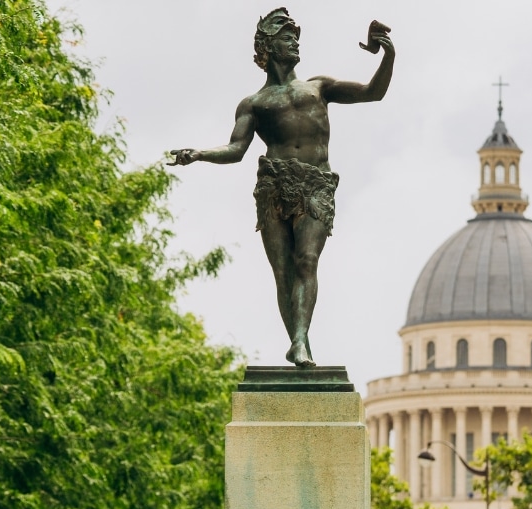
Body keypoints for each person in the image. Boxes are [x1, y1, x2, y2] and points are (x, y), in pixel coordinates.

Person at [168, 8, 394, 368]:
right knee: (283, 272)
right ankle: (298, 340)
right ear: (268, 48)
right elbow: (236, 150)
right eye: (288, 39)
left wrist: (388, 54)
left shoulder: (319, 87)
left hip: (316, 184)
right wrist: (198, 153)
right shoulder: (254, 103)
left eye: (296, 38)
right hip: (273, 186)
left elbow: (372, 92)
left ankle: (301, 340)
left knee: (306, 260)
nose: (296, 44)